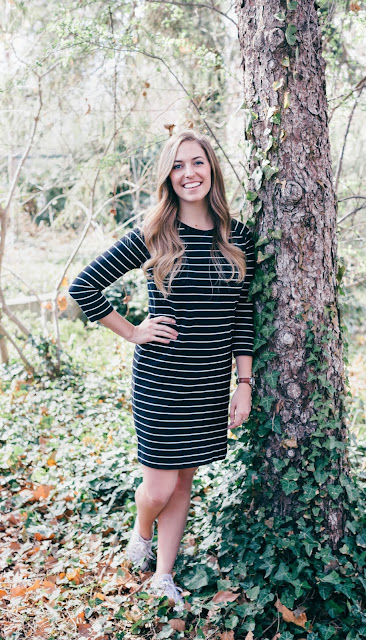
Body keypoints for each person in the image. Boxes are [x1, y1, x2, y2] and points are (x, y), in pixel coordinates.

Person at [68, 129, 255, 611]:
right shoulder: (155, 234)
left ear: (211, 169)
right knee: (159, 486)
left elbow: (242, 315)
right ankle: (141, 530)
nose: (189, 173)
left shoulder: (239, 238)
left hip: (209, 381)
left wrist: (244, 383)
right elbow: (84, 287)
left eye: (197, 162)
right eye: (178, 165)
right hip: (161, 379)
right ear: (168, 177)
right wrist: (133, 331)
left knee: (183, 480)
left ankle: (163, 575)